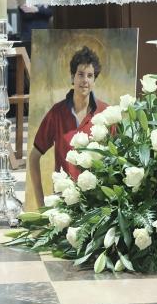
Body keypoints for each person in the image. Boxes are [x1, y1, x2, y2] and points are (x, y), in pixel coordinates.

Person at [28, 46, 108, 208]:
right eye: (80, 74)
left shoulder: (105, 113)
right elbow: (34, 156)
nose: (85, 80)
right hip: (64, 202)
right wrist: (41, 205)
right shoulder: (57, 113)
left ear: (94, 80)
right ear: (72, 77)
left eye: (90, 76)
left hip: (96, 204)